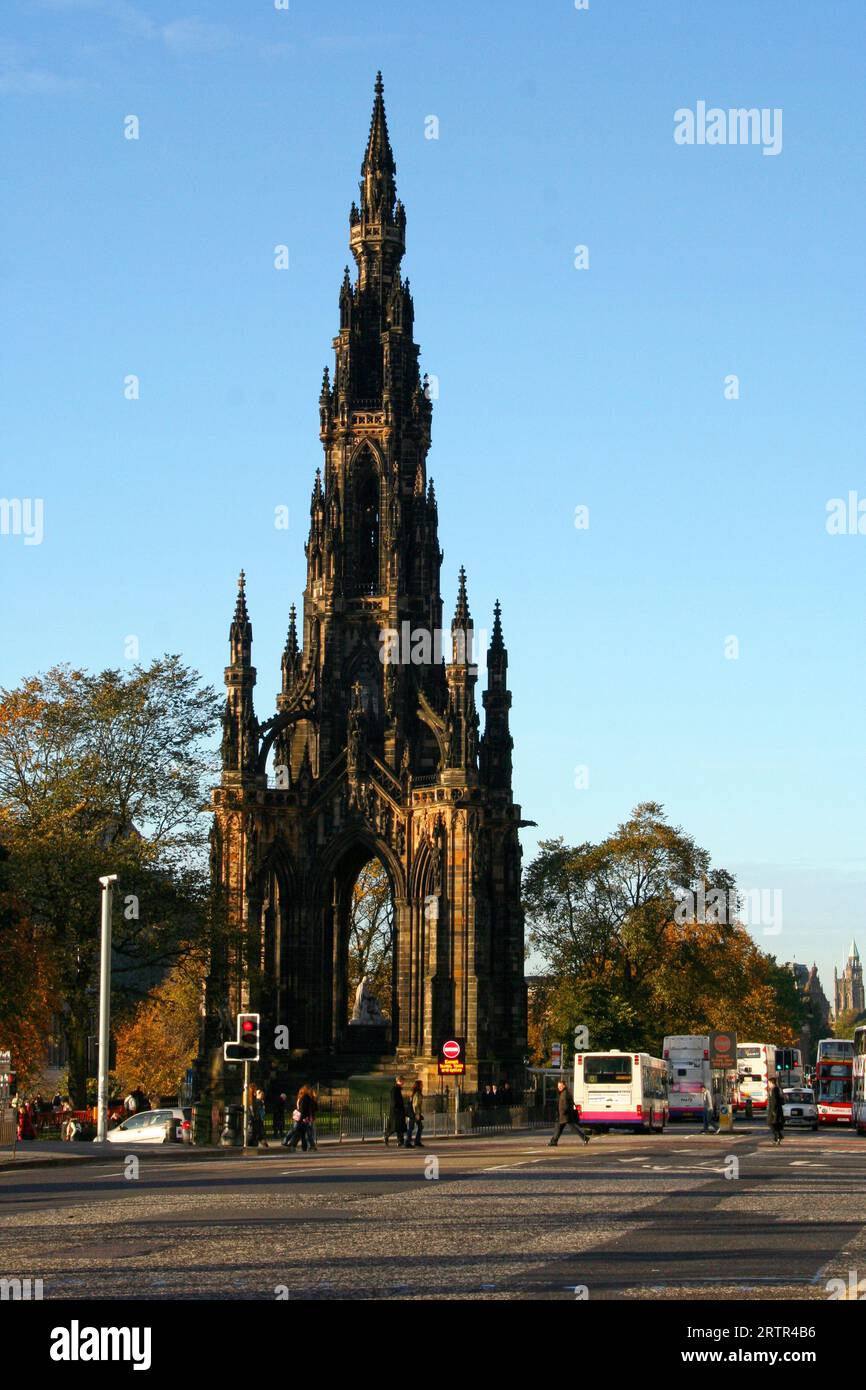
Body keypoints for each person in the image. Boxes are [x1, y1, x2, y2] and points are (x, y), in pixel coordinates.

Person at [549, 1079, 591, 1147]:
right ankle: (553, 1141)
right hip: (564, 1115)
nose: (559, 1088)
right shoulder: (564, 1092)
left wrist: (563, 1112)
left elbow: (566, 1105)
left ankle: (585, 1138)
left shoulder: (564, 1094)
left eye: (560, 1086)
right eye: (558, 1086)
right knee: (559, 1128)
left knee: (570, 1128)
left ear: (564, 1086)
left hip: (564, 1115)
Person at [384, 1076, 407, 1147]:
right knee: (394, 1128)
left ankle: (401, 1141)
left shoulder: (398, 1089)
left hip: (398, 1112)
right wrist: (397, 1108)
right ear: (399, 1081)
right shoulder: (394, 1089)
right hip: (396, 1112)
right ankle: (387, 1136)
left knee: (399, 1128)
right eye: (402, 1081)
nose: (403, 1082)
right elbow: (394, 1101)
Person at [767, 1078, 785, 1145]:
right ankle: (777, 1137)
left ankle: (778, 1137)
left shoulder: (774, 1089)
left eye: (769, 1083)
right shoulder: (775, 1089)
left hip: (774, 1110)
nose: (768, 1084)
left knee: (771, 1123)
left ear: (771, 1083)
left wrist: (773, 1111)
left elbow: (774, 1101)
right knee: (775, 1124)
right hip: (775, 1110)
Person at [406, 1079, 424, 1147]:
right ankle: (408, 1142)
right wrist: (417, 1114)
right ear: (419, 1086)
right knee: (411, 1127)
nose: (423, 1086)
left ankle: (416, 1141)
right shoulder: (417, 1093)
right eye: (421, 1085)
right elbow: (415, 1105)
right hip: (414, 1113)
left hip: (414, 1113)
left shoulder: (415, 1093)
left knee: (419, 1127)